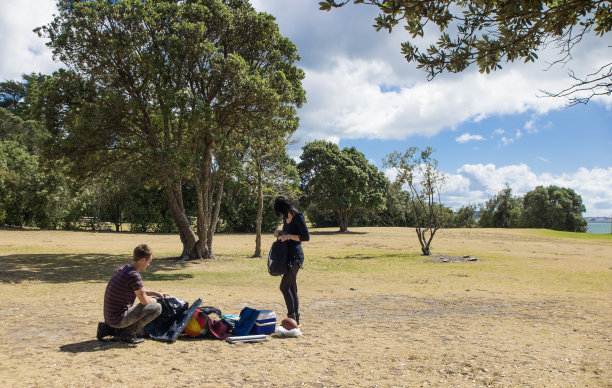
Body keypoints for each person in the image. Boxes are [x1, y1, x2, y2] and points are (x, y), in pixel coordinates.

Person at [98, 244, 169, 344]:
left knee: (149, 305)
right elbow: (144, 301)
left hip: (110, 317)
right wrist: (155, 300)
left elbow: (139, 290)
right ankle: (128, 334)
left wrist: (156, 293)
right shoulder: (134, 276)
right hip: (118, 319)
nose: (148, 265)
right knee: (157, 307)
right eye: (149, 262)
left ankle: (109, 329)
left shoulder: (123, 270)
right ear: (143, 260)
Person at [273, 195, 310, 326]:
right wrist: (280, 233)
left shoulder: (298, 216)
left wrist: (288, 235)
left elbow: (305, 237)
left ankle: (291, 320)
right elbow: (287, 232)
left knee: (284, 286)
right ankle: (295, 322)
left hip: (296, 257)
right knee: (292, 288)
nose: (281, 214)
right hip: (286, 255)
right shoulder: (285, 217)